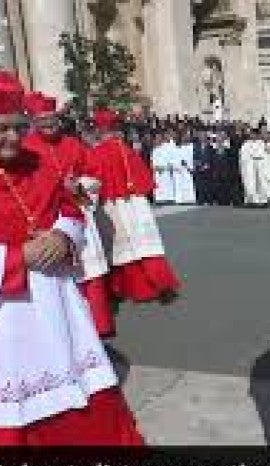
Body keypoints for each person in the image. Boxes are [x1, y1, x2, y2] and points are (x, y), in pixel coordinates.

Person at [0, 71, 143, 445]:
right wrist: (17, 257)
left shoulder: (38, 164)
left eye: (18, 127)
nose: (13, 138)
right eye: (2, 129)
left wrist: (64, 236)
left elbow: (73, 209)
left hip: (55, 302)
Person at [22, 91, 116, 339]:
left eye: (53, 120)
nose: (49, 125)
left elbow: (95, 176)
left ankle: (99, 327)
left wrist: (80, 186)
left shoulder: (73, 145)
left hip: (78, 215)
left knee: (90, 273)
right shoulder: (25, 149)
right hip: (47, 221)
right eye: (43, 121)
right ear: (33, 121)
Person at [88, 107, 181, 304]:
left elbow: (93, 183)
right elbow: (143, 179)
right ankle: (161, 284)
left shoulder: (97, 153)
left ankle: (132, 289)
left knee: (124, 248)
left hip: (114, 204)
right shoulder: (127, 149)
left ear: (98, 130)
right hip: (137, 204)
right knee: (145, 246)